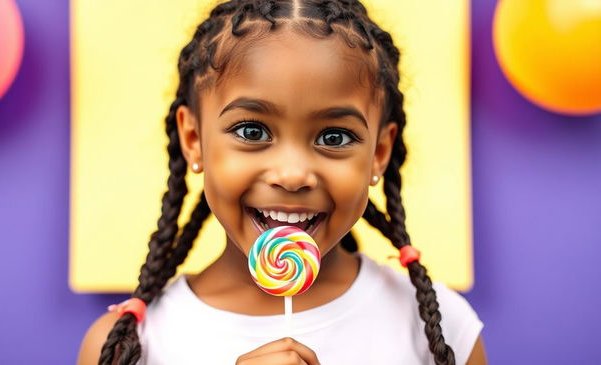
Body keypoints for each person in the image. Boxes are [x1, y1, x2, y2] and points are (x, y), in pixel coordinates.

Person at [78, 1, 487, 364]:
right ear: (194, 140)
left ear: (379, 152)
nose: (292, 175)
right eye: (252, 132)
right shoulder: (125, 348)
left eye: (334, 137)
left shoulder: (443, 330)